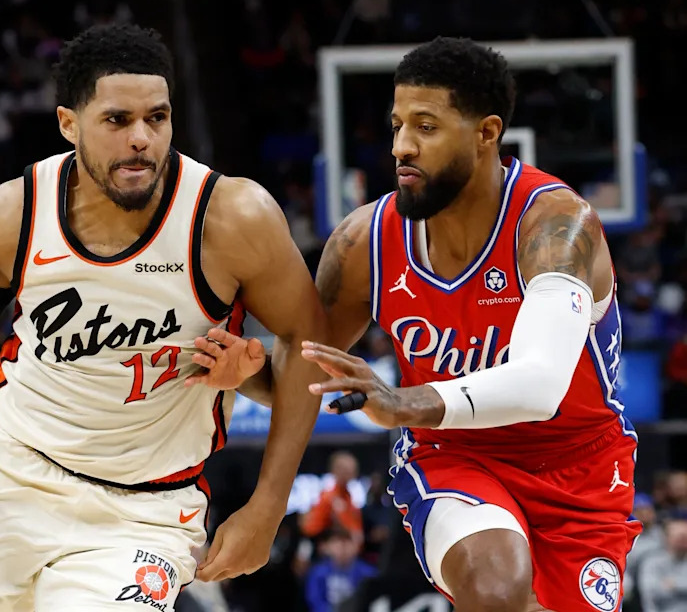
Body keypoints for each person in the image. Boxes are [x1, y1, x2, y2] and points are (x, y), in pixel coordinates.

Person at [0, 23, 325, 611]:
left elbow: (309, 344)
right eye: (117, 120)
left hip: (143, 511)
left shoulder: (232, 216)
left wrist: (268, 507)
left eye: (157, 118)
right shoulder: (13, 213)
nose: (141, 138)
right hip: (8, 474)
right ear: (69, 123)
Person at [189, 37, 641, 612]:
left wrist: (401, 401)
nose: (401, 145)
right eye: (397, 125)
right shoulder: (363, 242)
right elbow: (304, 379)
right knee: (495, 586)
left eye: (426, 127)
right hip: (453, 454)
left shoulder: (556, 224)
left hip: (579, 464)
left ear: (486, 133)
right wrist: (248, 381)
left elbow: (540, 385)